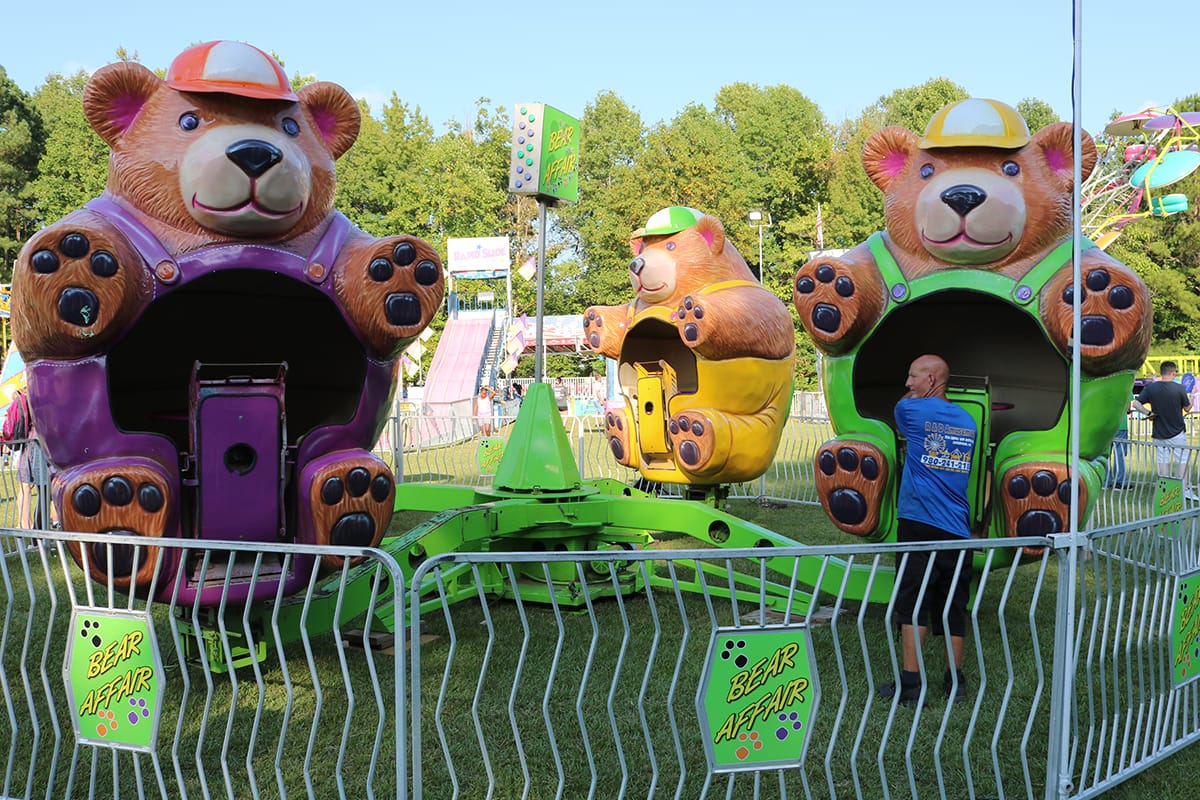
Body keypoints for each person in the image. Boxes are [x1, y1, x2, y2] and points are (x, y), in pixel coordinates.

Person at [879, 354, 978, 707]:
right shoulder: (968, 421)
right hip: (958, 529)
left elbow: (903, 405)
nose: (908, 383)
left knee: (913, 603)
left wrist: (913, 396)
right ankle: (955, 683)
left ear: (932, 380)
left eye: (913, 376)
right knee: (953, 605)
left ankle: (911, 686)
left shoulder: (911, 411)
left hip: (920, 523)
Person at [1132, 361, 1194, 497]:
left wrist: (1148, 413)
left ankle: (1164, 491)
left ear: (1161, 372)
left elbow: (1135, 403)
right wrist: (1193, 396)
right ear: (1174, 373)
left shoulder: (1151, 388)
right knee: (1183, 461)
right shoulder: (1179, 388)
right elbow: (1188, 408)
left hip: (1159, 432)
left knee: (1163, 462)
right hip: (1177, 431)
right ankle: (1184, 490)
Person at [1104, 395, 1131, 490]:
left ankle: (1105, 481)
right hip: (1120, 425)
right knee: (1119, 455)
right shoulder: (1126, 386)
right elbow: (1128, 407)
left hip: (1105, 424)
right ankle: (1120, 482)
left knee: (1105, 455)